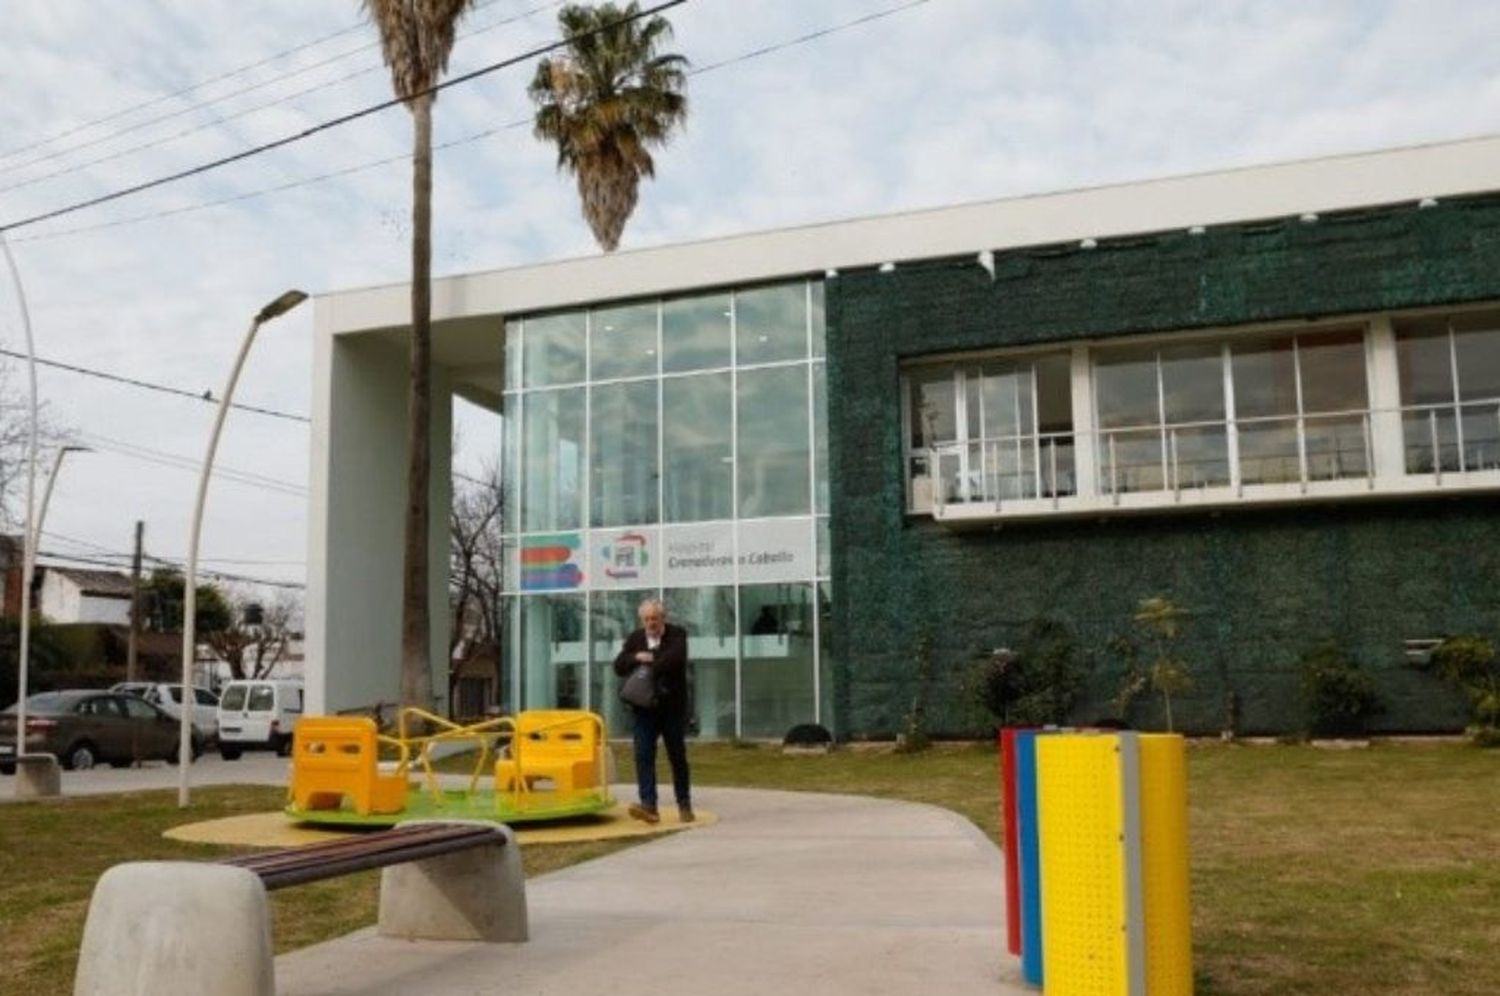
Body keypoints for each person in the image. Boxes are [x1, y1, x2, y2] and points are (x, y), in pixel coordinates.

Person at [613, 596, 693, 824]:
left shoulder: (677, 634)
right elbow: (618, 665)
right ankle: (649, 805)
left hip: (672, 707)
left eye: (655, 618)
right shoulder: (636, 638)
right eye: (647, 619)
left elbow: (675, 660)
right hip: (644, 709)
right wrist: (636, 656)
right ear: (642, 620)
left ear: (663, 618)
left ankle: (684, 803)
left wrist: (650, 660)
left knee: (677, 756)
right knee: (643, 755)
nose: (651, 623)